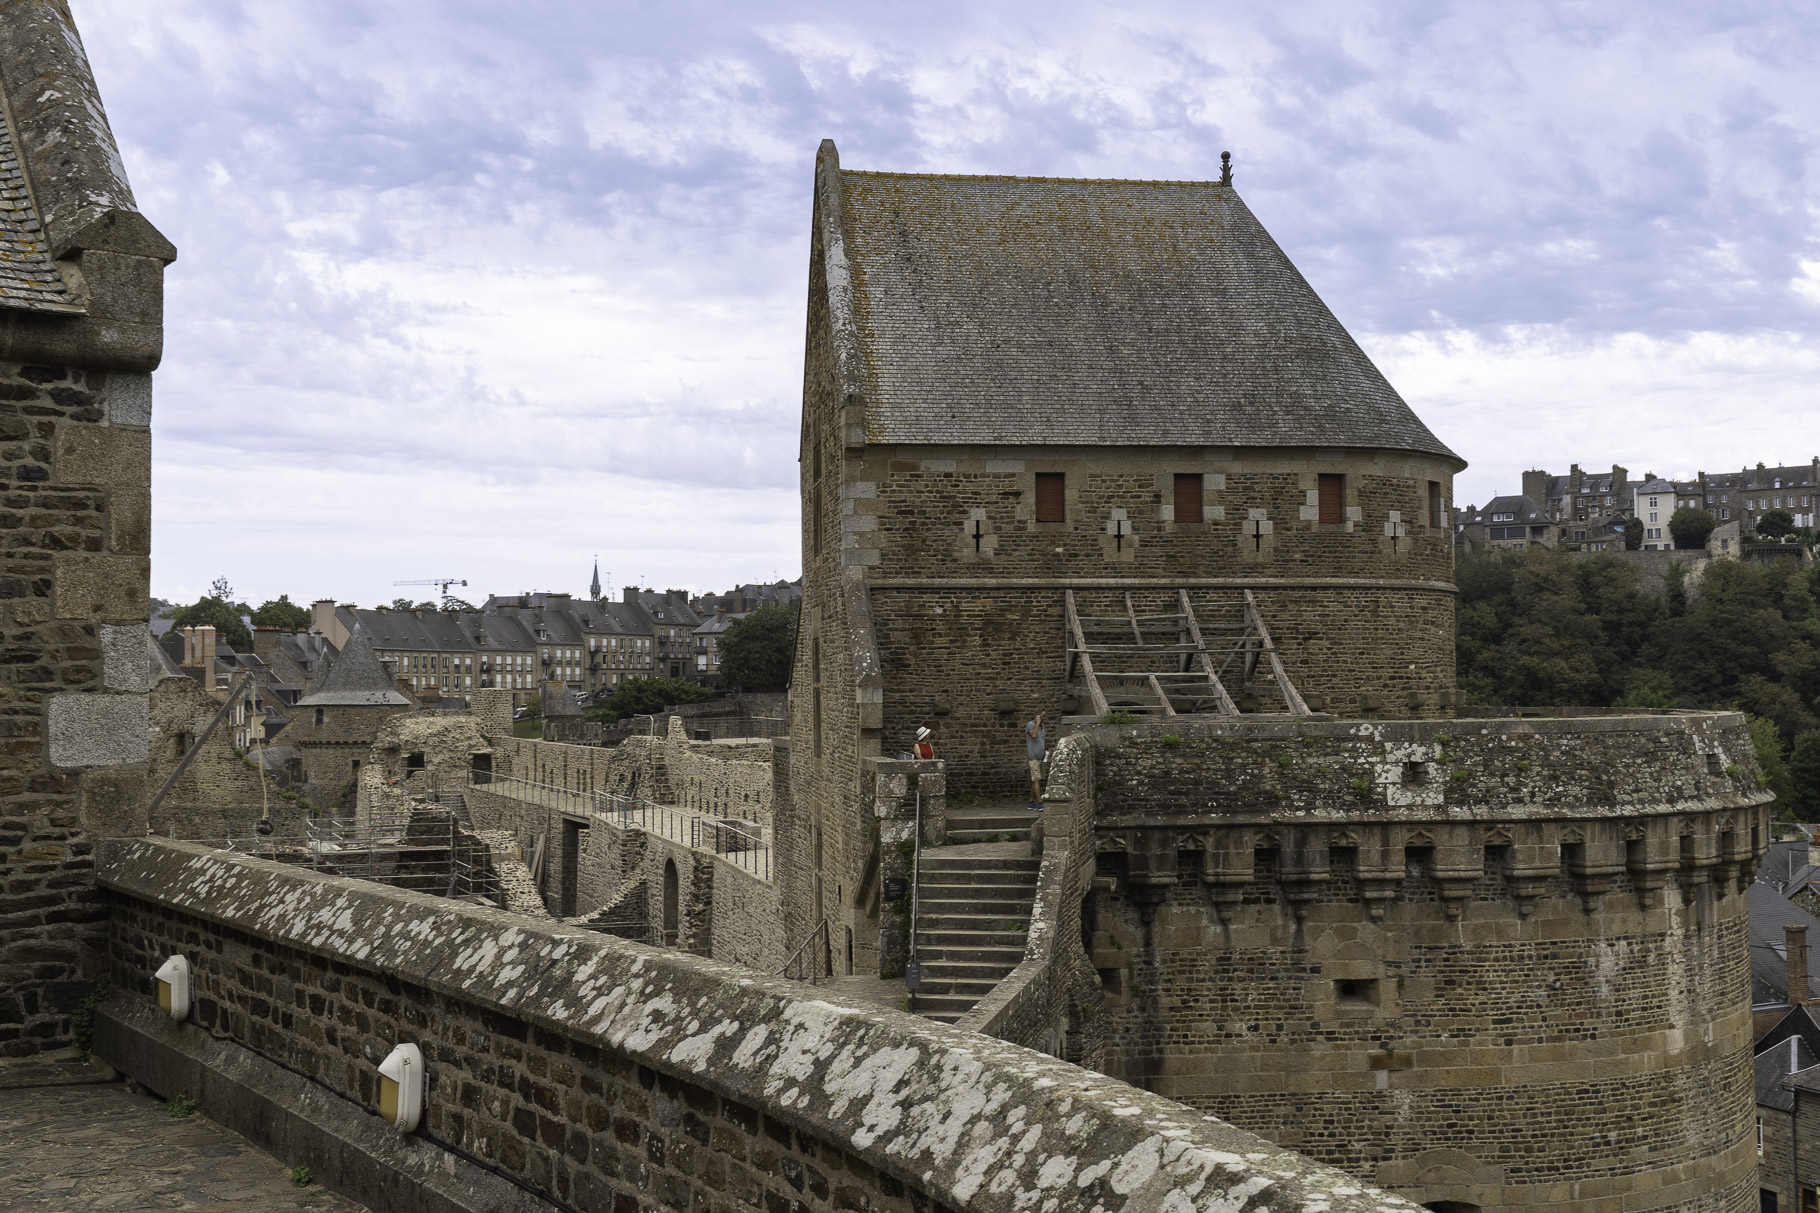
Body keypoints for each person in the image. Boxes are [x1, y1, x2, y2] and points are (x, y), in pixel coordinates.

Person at [1025, 710, 1047, 809]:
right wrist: (1037, 723)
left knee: (1036, 780)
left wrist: (1047, 748)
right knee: (1037, 779)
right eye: (1042, 717)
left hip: (1040, 757)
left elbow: (1041, 739)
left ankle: (1030, 802)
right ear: (1037, 716)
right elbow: (1033, 735)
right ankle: (1040, 802)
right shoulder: (1030, 725)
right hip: (1033, 756)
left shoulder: (1042, 727)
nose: (1044, 719)